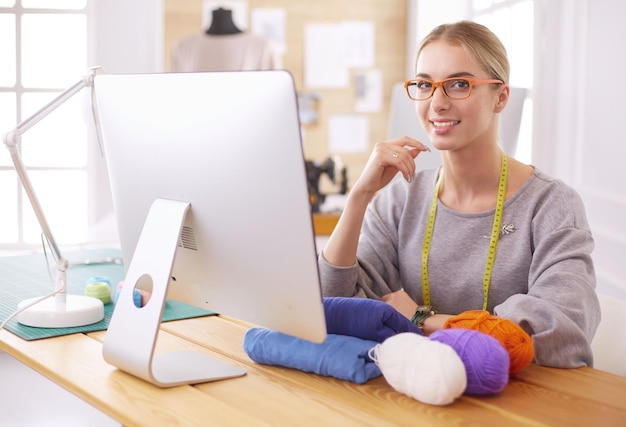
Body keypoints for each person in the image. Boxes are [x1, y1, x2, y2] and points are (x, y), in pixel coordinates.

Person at [318, 20, 601, 369]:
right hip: (417, 396)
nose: (436, 103)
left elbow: (560, 333)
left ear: (501, 97)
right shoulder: (401, 199)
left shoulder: (551, 205)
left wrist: (421, 319)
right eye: (425, 85)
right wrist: (359, 196)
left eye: (458, 84)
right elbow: (337, 306)